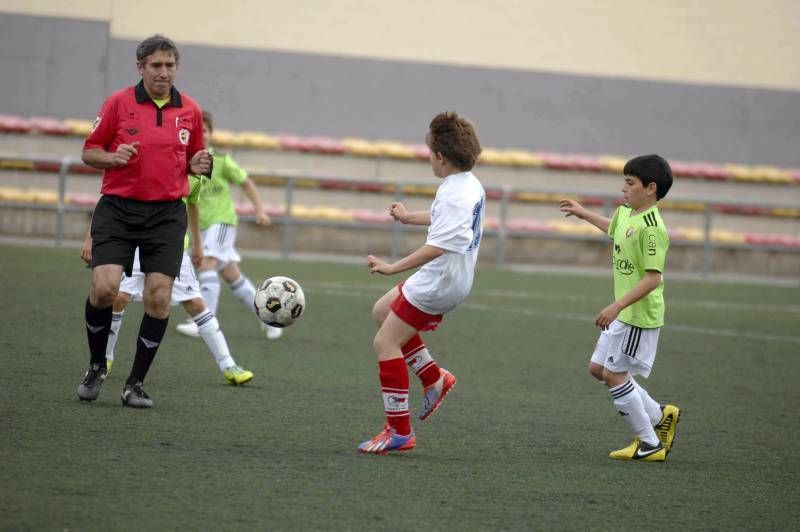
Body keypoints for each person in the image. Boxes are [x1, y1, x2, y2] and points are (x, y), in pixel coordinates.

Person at [76, 34, 211, 408]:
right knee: (105, 289)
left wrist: (199, 164)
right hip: (118, 209)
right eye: (156, 65)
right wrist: (112, 156)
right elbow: (89, 152)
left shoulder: (191, 111)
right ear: (141, 67)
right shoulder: (119, 103)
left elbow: (196, 158)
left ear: (176, 68)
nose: (163, 72)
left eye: (170, 65)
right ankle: (95, 365)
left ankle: (135, 383)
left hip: (166, 214)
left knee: (159, 296)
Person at [358, 111, 485, 454]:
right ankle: (434, 378)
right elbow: (445, 220)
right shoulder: (466, 184)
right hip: (444, 277)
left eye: (430, 152)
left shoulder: (455, 192)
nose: (429, 158)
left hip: (440, 281)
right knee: (382, 311)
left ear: (441, 157)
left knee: (385, 344)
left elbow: (439, 245)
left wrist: (392, 267)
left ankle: (400, 431)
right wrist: (408, 217)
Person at [559, 154, 681, 461]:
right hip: (624, 314)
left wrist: (617, 306)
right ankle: (659, 415)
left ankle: (650, 443)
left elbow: (653, 279)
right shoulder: (626, 213)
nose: (623, 188)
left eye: (630, 183)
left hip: (638, 315)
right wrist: (583, 213)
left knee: (614, 375)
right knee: (598, 370)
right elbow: (614, 229)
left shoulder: (652, 228)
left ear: (650, 188)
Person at [80, 175, 255, 386]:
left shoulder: (194, 176)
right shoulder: (148, 162)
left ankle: (228, 365)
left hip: (172, 249)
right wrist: (91, 237)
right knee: (117, 298)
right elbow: (109, 198)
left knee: (196, 304)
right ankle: (105, 358)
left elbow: (193, 206)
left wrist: (198, 245)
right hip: (134, 244)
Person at [175, 110, 282, 341]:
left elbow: (247, 183)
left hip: (222, 222)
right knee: (232, 276)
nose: (201, 135)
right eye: (196, 131)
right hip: (202, 228)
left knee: (206, 263)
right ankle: (270, 318)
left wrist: (260, 210)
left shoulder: (221, 161)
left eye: (204, 131)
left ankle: (203, 320)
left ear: (211, 134)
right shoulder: (184, 164)